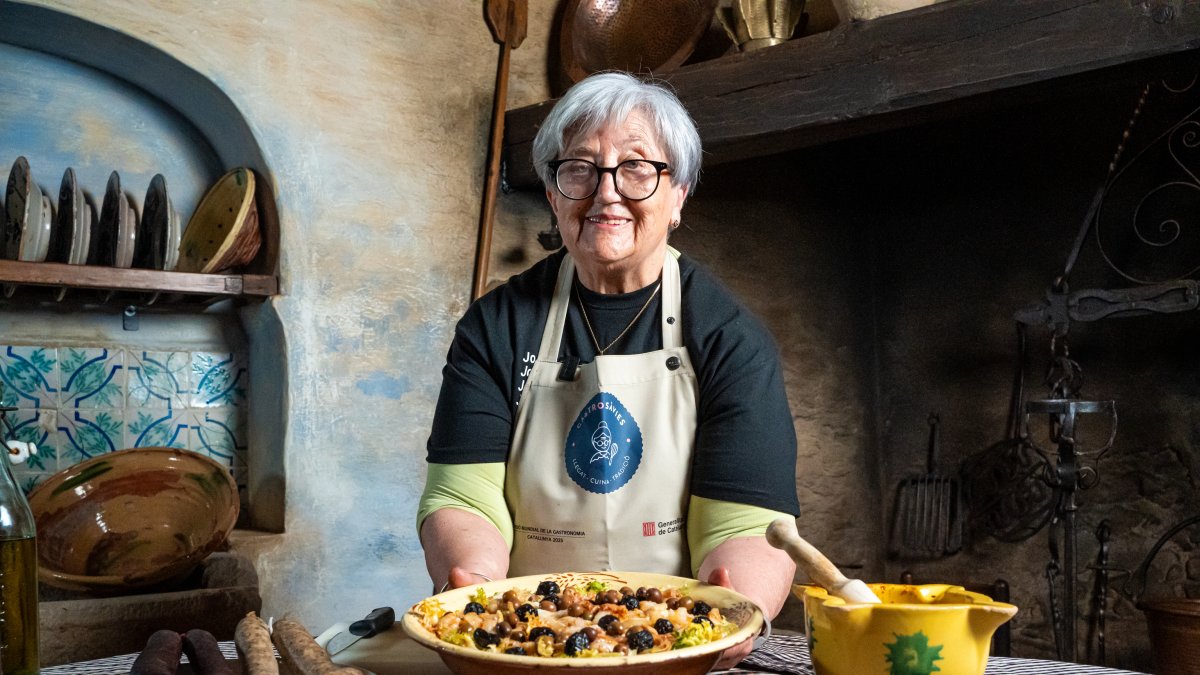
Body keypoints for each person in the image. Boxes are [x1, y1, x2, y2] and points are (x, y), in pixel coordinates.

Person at [418, 71, 799, 665]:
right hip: (529, 645)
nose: (606, 193)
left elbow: (743, 524)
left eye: (637, 168)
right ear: (554, 194)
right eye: (579, 169)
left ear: (679, 194)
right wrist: (475, 586)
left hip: (672, 643)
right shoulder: (496, 326)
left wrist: (732, 613)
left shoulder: (729, 337)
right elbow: (465, 495)